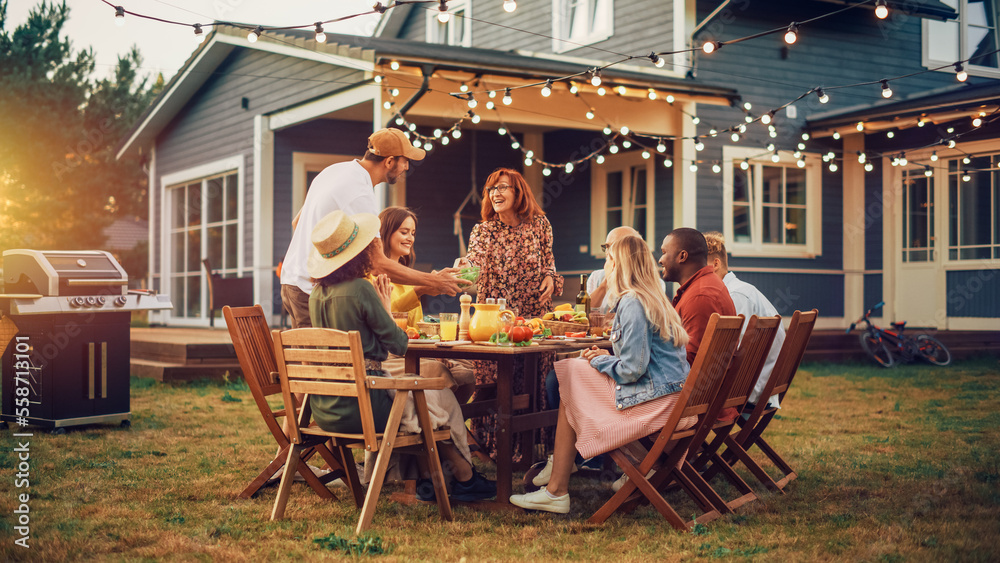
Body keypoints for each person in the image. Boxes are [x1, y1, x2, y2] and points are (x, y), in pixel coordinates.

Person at [305, 210, 495, 502]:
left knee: (424, 399)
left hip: (325, 410)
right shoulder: (362, 289)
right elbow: (399, 345)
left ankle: (446, 479)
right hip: (366, 410)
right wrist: (383, 305)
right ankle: (463, 477)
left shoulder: (317, 294)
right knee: (441, 397)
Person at [508, 235, 695, 514]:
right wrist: (607, 359)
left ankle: (557, 488)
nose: (605, 265)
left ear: (618, 265)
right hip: (674, 398)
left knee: (572, 376)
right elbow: (643, 359)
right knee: (575, 374)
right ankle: (559, 482)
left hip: (658, 405)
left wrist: (602, 363)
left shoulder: (632, 302)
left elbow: (632, 370)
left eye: (609, 259)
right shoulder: (655, 299)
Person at [279, 127, 468, 329]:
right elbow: (377, 264)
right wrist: (434, 280)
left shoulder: (334, 170)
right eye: (405, 161)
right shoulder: (360, 193)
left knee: (307, 357)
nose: (406, 167)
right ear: (389, 161)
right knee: (326, 358)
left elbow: (297, 222)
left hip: (292, 279)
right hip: (311, 289)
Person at [463, 167, 564, 460]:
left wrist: (550, 277)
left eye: (503, 187)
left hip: (532, 314)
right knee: (500, 378)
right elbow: (473, 263)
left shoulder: (540, 225)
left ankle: (533, 447)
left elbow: (550, 264)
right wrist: (462, 266)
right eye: (491, 189)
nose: (496, 193)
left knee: (531, 377)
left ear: (518, 192)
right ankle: (496, 446)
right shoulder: (482, 231)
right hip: (494, 317)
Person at [378, 206, 476, 404]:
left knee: (468, 371)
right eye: (404, 232)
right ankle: (438, 427)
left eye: (413, 233)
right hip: (389, 356)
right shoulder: (376, 276)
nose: (410, 238)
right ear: (386, 232)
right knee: (441, 372)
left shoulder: (409, 276)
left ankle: (442, 425)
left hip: (411, 353)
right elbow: (384, 315)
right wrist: (419, 290)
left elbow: (416, 329)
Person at [704, 231, 786, 409]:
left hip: (749, 391)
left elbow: (731, 352)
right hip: (761, 384)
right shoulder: (741, 290)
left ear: (715, 264)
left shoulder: (735, 296)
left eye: (699, 269)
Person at [658, 227, 737, 366]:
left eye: (664, 252)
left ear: (682, 256)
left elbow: (690, 361)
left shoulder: (700, 296)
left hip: (688, 386)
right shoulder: (704, 286)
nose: (660, 260)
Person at [587, 226, 665, 311]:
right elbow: (581, 313)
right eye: (606, 247)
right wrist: (605, 283)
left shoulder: (655, 283)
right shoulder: (596, 277)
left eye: (614, 246)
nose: (607, 252)